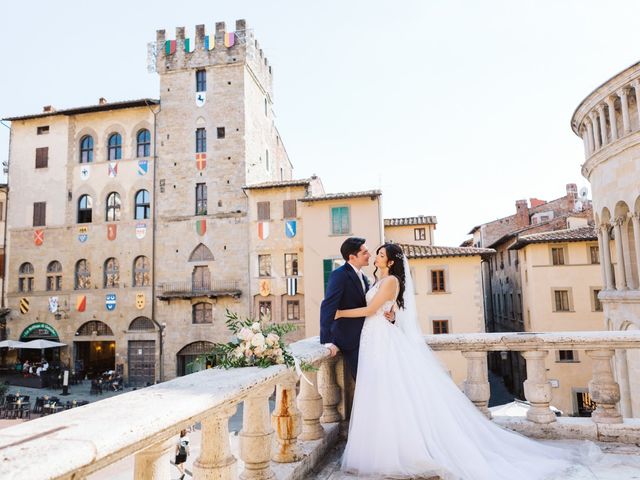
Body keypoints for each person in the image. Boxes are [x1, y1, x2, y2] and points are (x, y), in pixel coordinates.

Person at [335, 243, 628, 479]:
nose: (375, 255)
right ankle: (386, 447)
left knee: (393, 393)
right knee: (382, 394)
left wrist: (338, 314)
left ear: (390, 261)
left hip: (382, 341)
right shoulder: (377, 278)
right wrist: (390, 314)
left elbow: (371, 309)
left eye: (381, 254)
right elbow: (387, 310)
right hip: (375, 339)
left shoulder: (389, 281)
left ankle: (401, 450)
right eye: (375, 253)